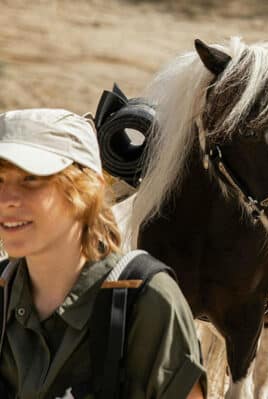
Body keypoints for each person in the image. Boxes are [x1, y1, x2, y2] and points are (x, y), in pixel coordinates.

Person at [0, 108, 206, 398]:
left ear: (86, 189)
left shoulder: (145, 299)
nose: (6, 199)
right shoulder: (3, 292)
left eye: (31, 179)